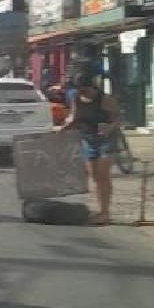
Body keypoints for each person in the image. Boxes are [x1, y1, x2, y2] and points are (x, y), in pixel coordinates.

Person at [61, 73, 121, 225]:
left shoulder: (105, 99)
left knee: (103, 175)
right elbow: (74, 118)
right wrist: (62, 128)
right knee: (94, 176)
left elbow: (117, 119)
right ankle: (101, 210)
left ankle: (104, 213)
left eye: (85, 90)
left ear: (92, 87)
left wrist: (109, 128)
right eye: (80, 90)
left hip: (106, 140)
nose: (83, 93)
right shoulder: (75, 98)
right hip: (88, 139)